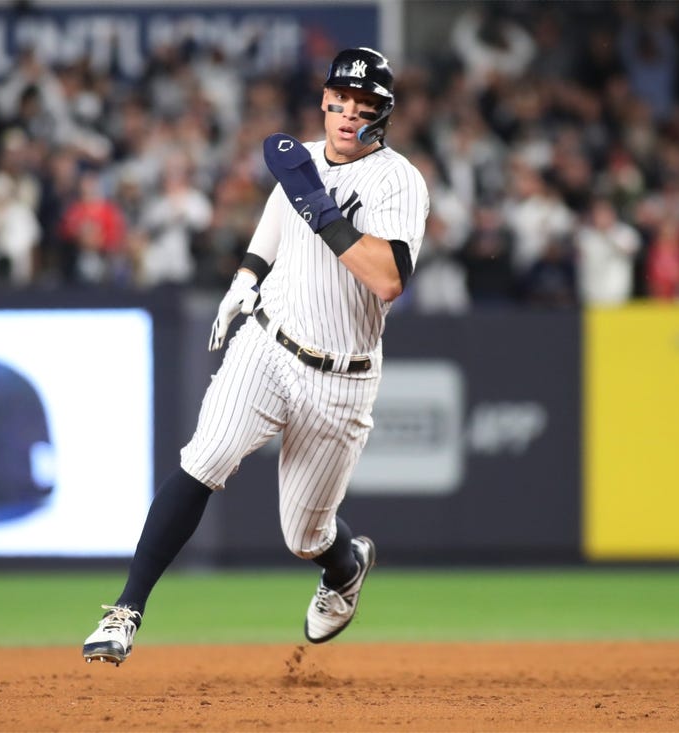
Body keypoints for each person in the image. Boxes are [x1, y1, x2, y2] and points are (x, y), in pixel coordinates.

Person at [82, 47, 429, 665]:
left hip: (341, 380)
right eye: (339, 101)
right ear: (325, 101)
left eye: (364, 106)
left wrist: (322, 212)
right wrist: (245, 277)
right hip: (269, 343)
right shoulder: (307, 162)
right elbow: (277, 217)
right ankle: (125, 611)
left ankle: (345, 566)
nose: (348, 115)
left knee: (304, 536)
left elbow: (387, 279)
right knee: (205, 457)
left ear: (383, 115)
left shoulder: (397, 180)